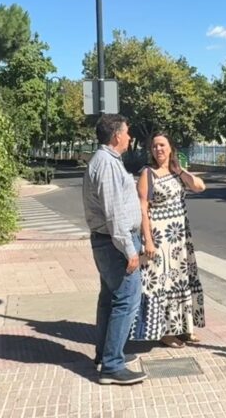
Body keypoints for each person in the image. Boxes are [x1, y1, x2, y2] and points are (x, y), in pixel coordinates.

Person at [82, 114, 147, 385]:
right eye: (127, 132)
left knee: (109, 299)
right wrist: (129, 249)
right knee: (127, 300)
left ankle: (106, 355)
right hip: (114, 242)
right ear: (116, 135)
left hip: (108, 241)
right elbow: (114, 213)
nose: (130, 137)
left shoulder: (106, 161)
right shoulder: (107, 164)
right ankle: (111, 365)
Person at [130, 131, 206, 348]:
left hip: (180, 237)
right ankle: (164, 331)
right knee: (163, 283)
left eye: (162, 145)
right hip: (161, 237)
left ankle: (184, 328)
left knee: (181, 279)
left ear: (171, 147)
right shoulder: (148, 173)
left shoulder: (176, 172)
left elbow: (199, 187)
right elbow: (142, 208)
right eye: (154, 146)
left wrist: (180, 170)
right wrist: (148, 240)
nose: (158, 150)